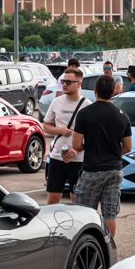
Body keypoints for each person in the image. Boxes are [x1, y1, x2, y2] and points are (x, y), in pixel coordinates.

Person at [72, 75, 132, 238]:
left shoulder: (84, 114)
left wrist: (89, 146)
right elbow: (127, 147)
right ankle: (108, 249)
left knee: (84, 213)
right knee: (109, 215)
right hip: (114, 171)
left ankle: (85, 247)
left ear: (95, 91)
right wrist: (112, 152)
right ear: (113, 91)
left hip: (92, 170)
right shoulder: (122, 116)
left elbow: (76, 145)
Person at [43, 67, 89, 204]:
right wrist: (59, 130)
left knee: (77, 199)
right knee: (52, 199)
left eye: (68, 82)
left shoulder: (87, 105)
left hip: (79, 159)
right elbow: (46, 126)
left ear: (79, 84)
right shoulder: (56, 102)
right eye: (63, 81)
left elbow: (92, 135)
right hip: (57, 157)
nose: (64, 84)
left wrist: (77, 149)